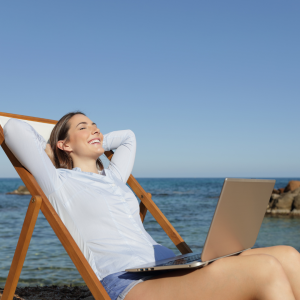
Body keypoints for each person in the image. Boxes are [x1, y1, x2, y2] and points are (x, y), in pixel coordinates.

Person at [4, 111, 300, 300]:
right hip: (127, 282)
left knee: (287, 255)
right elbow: (14, 128)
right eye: (84, 127)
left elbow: (128, 138)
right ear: (64, 145)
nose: (95, 129)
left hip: (167, 267)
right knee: (265, 270)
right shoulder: (59, 182)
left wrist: (95, 139)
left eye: (96, 125)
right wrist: (53, 146)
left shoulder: (114, 177)